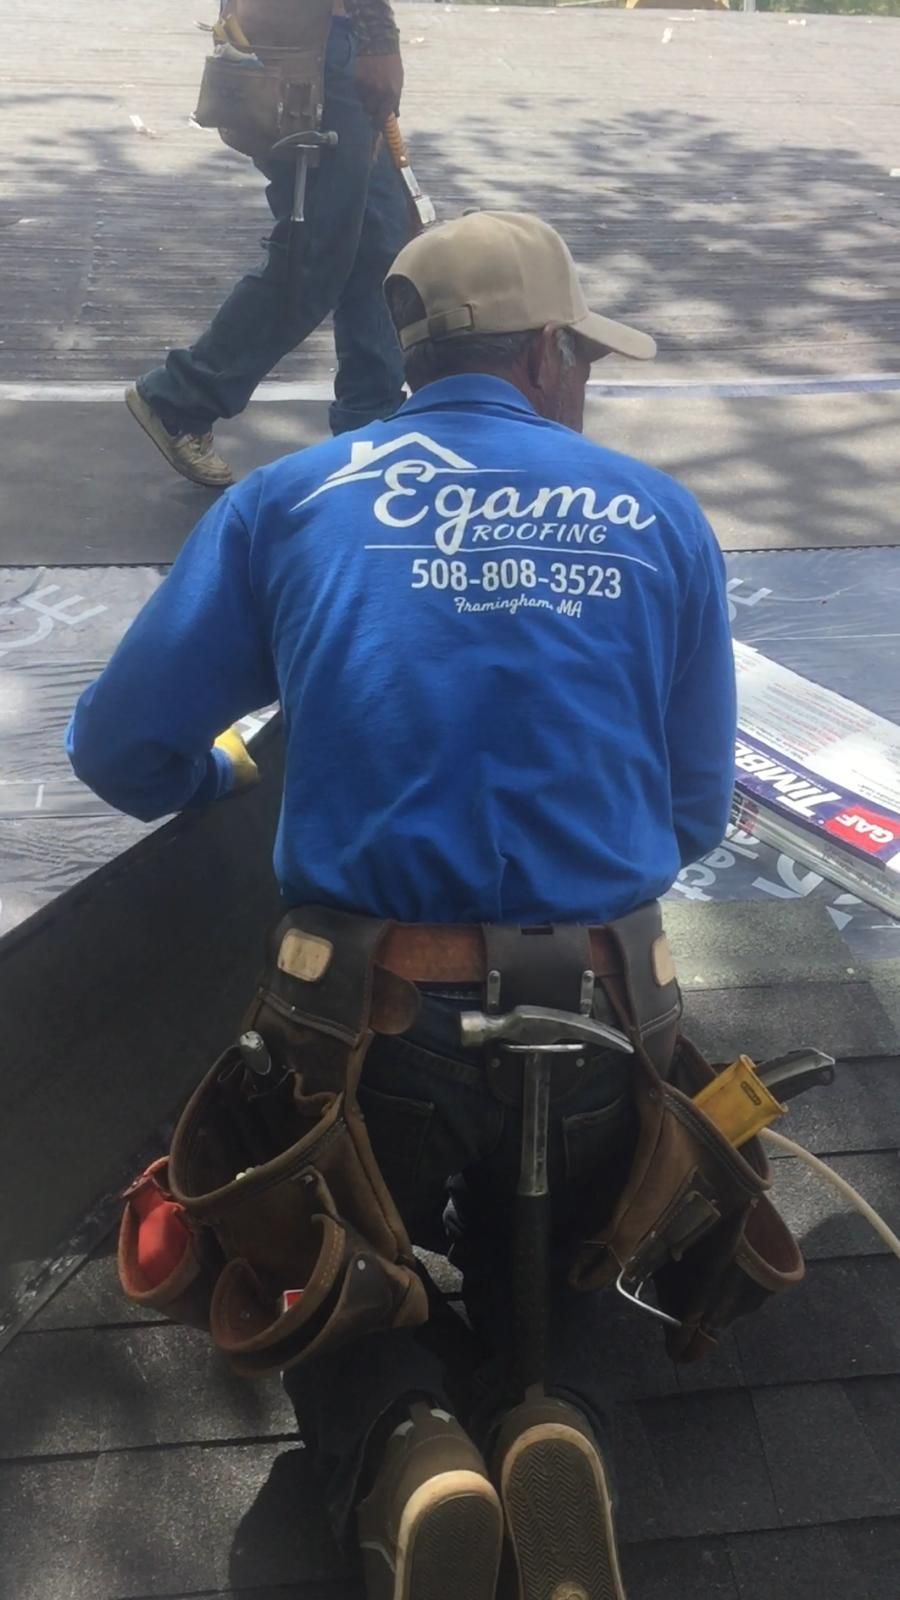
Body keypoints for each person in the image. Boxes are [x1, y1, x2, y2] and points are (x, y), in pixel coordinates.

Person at [68, 212, 737, 1600]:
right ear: (549, 352)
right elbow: (688, 815)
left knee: (319, 1262)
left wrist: (233, 763)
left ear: (415, 355)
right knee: (575, 1249)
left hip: (372, 1031)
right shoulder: (657, 515)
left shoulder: (293, 499)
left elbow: (118, 751)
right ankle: (555, 1415)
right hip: (608, 1023)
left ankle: (407, 1448)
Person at [126, 0, 409, 489]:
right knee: (315, 253)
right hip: (319, 49)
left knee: (378, 234)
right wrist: (378, 36)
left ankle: (373, 425)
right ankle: (182, 397)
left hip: (317, 39)